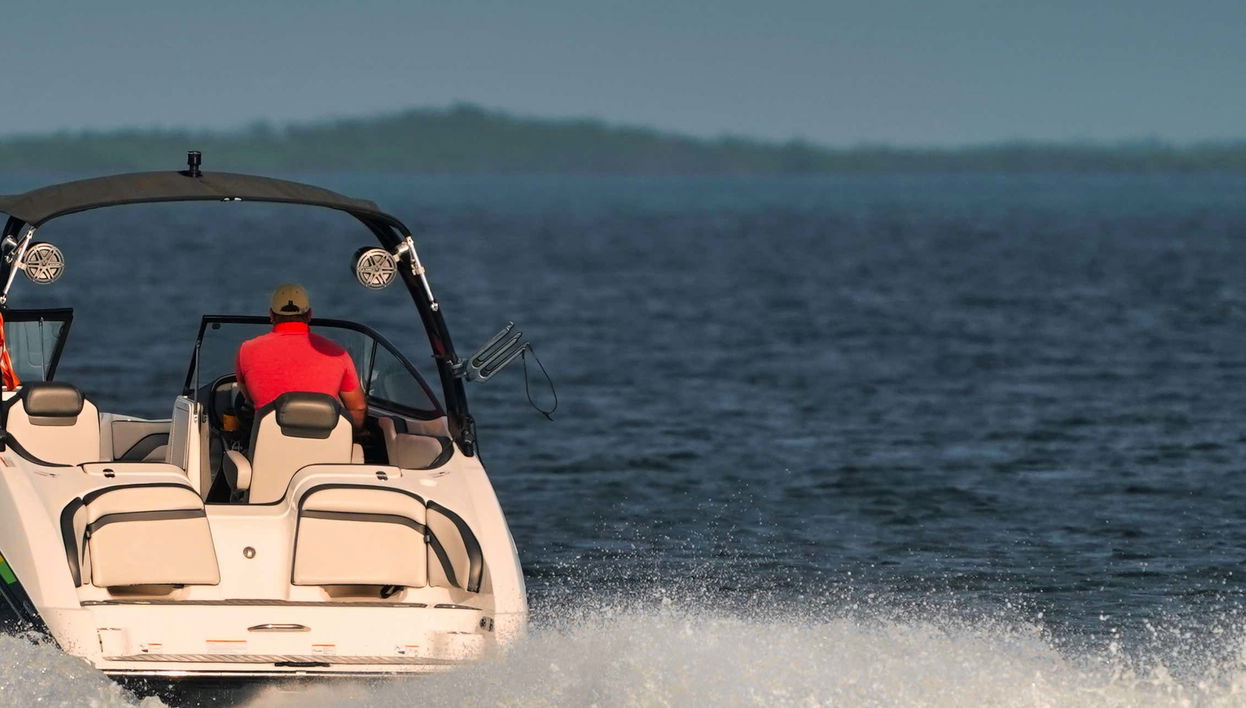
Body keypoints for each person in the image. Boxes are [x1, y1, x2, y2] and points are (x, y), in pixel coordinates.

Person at [235, 283, 366, 430]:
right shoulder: (337, 353)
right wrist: (354, 436)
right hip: (325, 450)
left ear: (271, 315)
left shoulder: (247, 350)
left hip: (268, 449)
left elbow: (249, 398)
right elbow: (358, 408)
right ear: (309, 314)